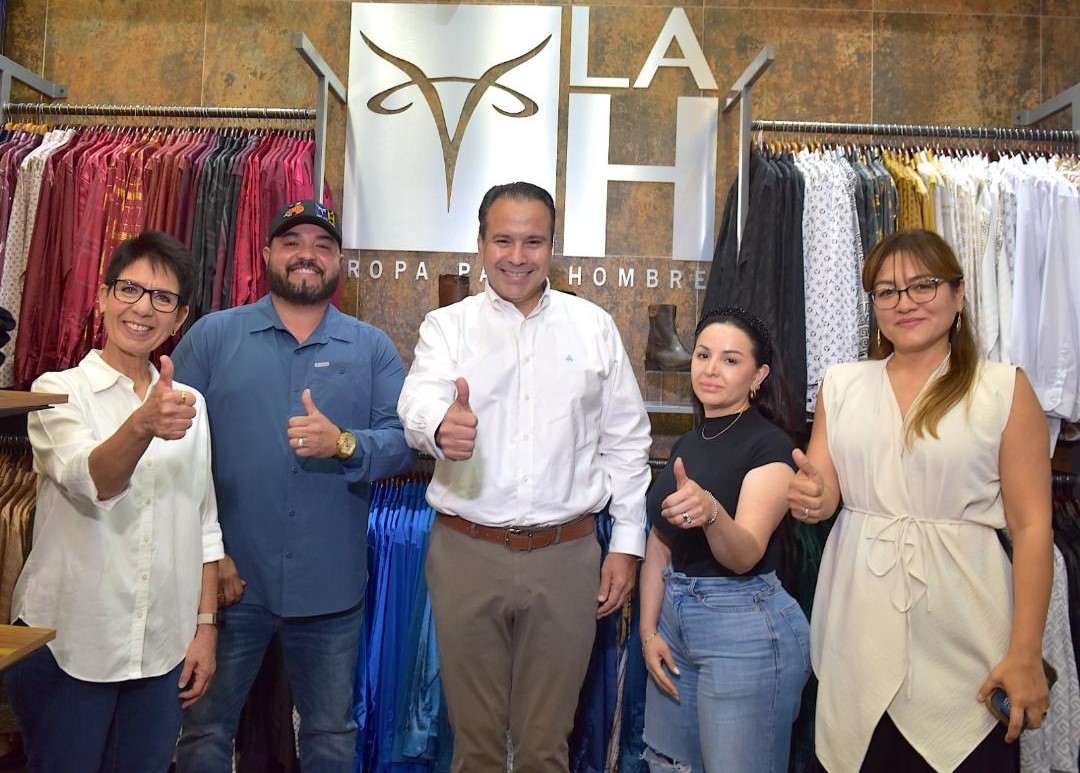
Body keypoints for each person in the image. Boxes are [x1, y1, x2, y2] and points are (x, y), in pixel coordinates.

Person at [397, 181, 651, 773]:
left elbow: (627, 442)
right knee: (475, 747)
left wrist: (626, 546)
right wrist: (439, 426)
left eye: (533, 242)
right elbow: (417, 400)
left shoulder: (593, 327)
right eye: (503, 240)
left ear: (552, 247)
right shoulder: (447, 326)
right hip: (467, 553)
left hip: (567, 558)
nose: (517, 256)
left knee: (545, 748)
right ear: (480, 243)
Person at [789, 228, 1053, 772]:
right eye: (887, 291)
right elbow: (826, 490)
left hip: (966, 635)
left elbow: (1032, 528)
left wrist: (1026, 652)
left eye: (922, 285)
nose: (904, 302)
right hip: (857, 627)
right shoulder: (841, 385)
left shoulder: (1003, 388)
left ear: (958, 294)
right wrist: (812, 497)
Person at [172, 199, 415, 772]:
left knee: (330, 733)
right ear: (266, 254)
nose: (307, 254)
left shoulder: (372, 347)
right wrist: (211, 557)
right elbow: (173, 453)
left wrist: (345, 443)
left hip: (330, 590)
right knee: (204, 732)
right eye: (292, 242)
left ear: (339, 262)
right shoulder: (213, 337)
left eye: (322, 245)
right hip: (228, 585)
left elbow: (405, 443)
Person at [5, 231, 222, 772]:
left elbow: (204, 523)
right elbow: (89, 480)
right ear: (103, 297)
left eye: (162, 298)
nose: (142, 308)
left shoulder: (191, 405)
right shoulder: (56, 392)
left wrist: (205, 628)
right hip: (70, 643)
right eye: (129, 289)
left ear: (180, 318)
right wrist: (141, 425)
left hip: (161, 649)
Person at [639, 305, 810, 772]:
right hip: (675, 623)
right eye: (703, 355)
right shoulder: (688, 443)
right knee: (669, 765)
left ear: (759, 376)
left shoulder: (773, 447)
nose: (711, 369)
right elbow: (659, 544)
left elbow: (744, 555)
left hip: (745, 629)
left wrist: (713, 513)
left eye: (730, 360)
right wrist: (650, 631)